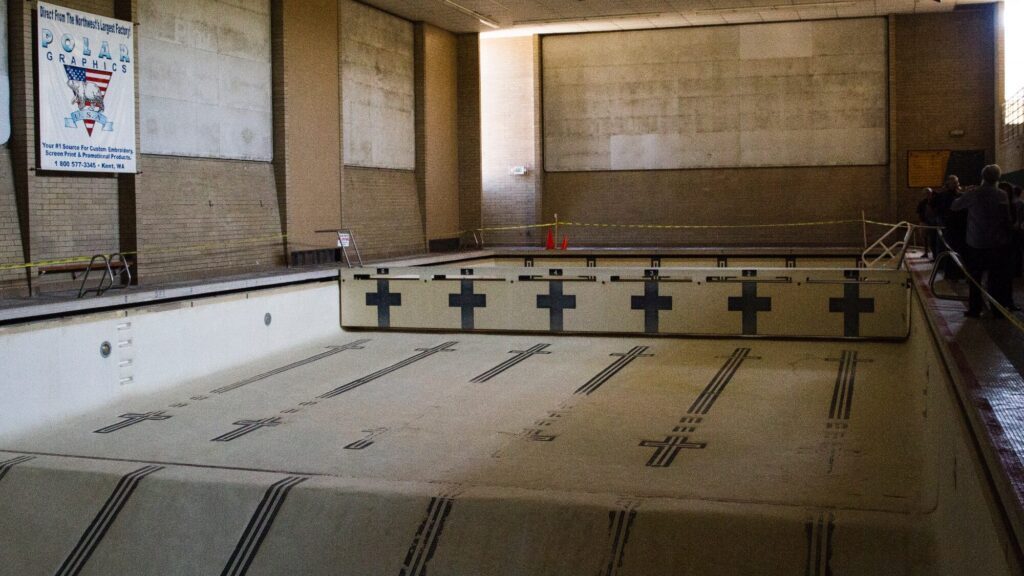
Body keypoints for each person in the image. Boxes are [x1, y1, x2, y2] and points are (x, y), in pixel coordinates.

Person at [950, 165, 1014, 318]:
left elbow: (954, 206)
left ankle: (975, 309)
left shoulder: (974, 194)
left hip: (976, 242)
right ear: (997, 178)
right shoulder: (1002, 195)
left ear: (982, 177)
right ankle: (997, 310)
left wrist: (963, 194)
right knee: (996, 279)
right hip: (996, 243)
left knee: (975, 279)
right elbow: (1007, 219)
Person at [931, 175, 966, 280]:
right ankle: (950, 273)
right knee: (949, 249)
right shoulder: (944, 196)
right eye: (953, 182)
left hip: (959, 226)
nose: (956, 184)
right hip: (949, 226)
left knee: (958, 250)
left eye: (957, 182)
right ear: (948, 184)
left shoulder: (959, 195)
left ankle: (958, 273)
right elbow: (936, 207)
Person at [916, 187, 938, 259]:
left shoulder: (935, 201)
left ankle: (935, 255)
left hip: (933, 223)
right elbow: (919, 212)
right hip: (924, 222)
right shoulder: (922, 202)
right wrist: (921, 222)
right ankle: (926, 252)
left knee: (933, 239)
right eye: (926, 193)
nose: (927, 194)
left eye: (929, 193)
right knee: (924, 238)